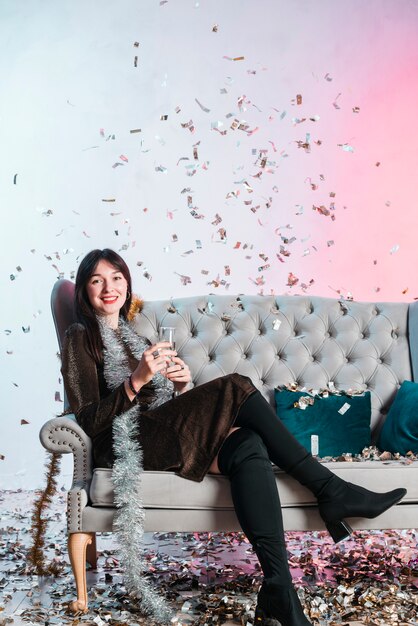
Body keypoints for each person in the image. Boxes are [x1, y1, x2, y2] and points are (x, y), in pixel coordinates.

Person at [61, 248, 407, 626]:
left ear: (127, 283)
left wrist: (180, 386)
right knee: (236, 386)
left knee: (248, 446)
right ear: (84, 290)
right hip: (123, 444)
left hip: (157, 431)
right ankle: (330, 490)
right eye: (97, 280)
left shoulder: (133, 334)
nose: (108, 287)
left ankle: (280, 589)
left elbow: (158, 406)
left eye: (116, 278)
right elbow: (88, 418)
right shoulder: (81, 336)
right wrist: (137, 380)